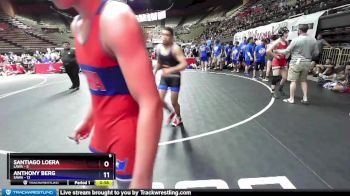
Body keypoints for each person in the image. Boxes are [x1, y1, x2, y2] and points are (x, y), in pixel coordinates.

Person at [52, 0, 163, 189]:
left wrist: (143, 178)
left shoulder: (116, 19)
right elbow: (102, 87)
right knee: (93, 188)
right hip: (102, 132)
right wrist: (89, 120)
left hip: (127, 134)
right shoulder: (76, 25)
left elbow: (150, 102)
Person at [274, 24, 317, 104]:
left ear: (299, 30)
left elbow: (287, 51)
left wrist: (277, 51)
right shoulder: (313, 40)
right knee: (303, 81)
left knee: (293, 81)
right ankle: (305, 98)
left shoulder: (296, 40)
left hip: (296, 62)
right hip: (307, 62)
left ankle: (291, 99)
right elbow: (316, 53)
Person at [154, 27, 188, 127]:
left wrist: (170, 70)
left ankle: (179, 118)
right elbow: (160, 62)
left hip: (175, 78)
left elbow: (184, 64)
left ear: (172, 37)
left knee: (174, 102)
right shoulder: (159, 48)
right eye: (163, 35)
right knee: (159, 100)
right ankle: (170, 112)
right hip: (164, 78)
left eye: (167, 35)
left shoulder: (175, 48)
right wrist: (154, 72)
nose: (164, 37)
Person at [267, 27, 290, 98]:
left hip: (283, 61)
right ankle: (272, 92)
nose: (287, 34)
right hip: (277, 61)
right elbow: (268, 50)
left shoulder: (286, 42)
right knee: (275, 77)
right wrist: (276, 56)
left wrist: (287, 56)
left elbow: (288, 50)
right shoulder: (277, 42)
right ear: (282, 34)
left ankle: (280, 88)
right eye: (286, 33)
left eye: (287, 33)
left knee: (285, 77)